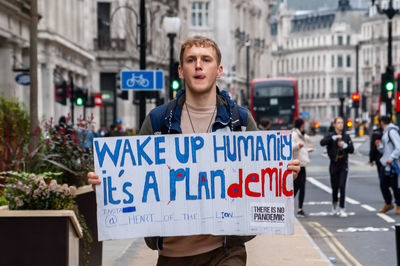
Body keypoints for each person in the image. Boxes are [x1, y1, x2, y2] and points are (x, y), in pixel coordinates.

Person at [88, 36, 300, 265]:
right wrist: (107, 181)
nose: (198, 65)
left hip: (225, 251)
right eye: (191, 60)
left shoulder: (239, 121)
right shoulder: (158, 121)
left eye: (206, 59)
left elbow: (261, 180)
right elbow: (133, 178)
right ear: (181, 71)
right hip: (172, 255)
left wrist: (283, 175)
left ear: (218, 70)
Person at [320, 117, 354, 218]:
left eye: (342, 123)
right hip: (334, 163)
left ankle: (342, 208)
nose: (340, 125)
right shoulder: (330, 135)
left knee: (342, 186)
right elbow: (322, 143)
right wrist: (331, 138)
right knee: (335, 187)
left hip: (343, 163)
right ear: (334, 124)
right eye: (338, 123)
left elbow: (352, 149)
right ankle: (334, 204)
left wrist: (345, 146)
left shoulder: (346, 136)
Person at [376, 115, 400, 214]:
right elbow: (385, 149)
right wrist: (379, 147)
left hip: (393, 164)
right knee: (383, 184)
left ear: (381, 122)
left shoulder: (392, 131)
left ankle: (398, 205)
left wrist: (391, 158)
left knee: (395, 185)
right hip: (386, 164)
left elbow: (399, 147)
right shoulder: (386, 132)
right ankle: (388, 203)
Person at [292, 118, 314, 217]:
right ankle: (287, 206)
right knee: (296, 187)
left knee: (302, 187)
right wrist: (298, 145)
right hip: (297, 164)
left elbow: (309, 146)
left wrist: (308, 149)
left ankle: (300, 209)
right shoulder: (294, 134)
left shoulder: (303, 135)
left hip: (303, 163)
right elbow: (290, 147)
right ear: (301, 124)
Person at [369, 121, 388, 213]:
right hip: (387, 159)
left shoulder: (376, 133)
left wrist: (371, 159)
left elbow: (372, 147)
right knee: (388, 179)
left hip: (381, 160)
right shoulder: (390, 132)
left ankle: (388, 199)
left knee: (383, 179)